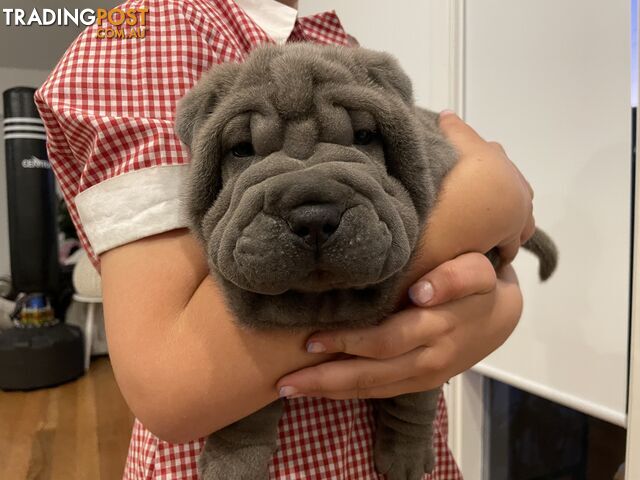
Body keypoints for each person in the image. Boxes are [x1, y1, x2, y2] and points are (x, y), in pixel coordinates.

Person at [35, 0, 534, 478]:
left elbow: (451, 293)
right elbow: (172, 386)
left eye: (360, 137)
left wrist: (496, 311)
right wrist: (485, 204)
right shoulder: (145, 36)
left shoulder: (328, 39)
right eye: (246, 147)